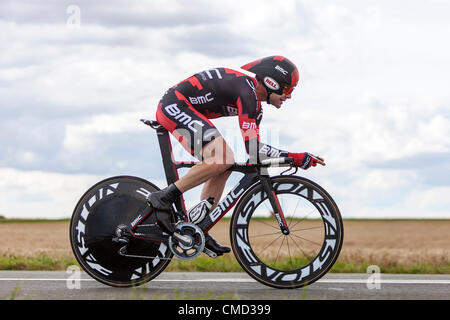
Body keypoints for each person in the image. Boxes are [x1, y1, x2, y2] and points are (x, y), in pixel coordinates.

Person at [147, 56, 325, 256]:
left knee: (223, 166)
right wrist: (297, 158)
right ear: (271, 83)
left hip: (186, 107)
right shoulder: (247, 92)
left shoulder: (254, 105)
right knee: (222, 157)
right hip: (175, 105)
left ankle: (199, 227)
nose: (289, 96)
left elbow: (255, 150)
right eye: (287, 89)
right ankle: (163, 197)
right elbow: (256, 150)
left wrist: (294, 157)